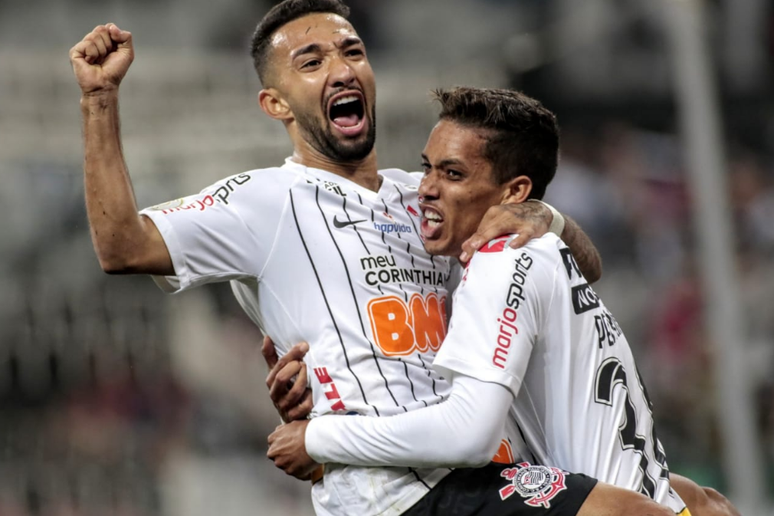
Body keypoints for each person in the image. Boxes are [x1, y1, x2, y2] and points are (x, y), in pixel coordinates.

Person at [68, 1, 669, 515]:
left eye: (351, 51)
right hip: (393, 492)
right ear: (275, 104)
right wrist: (99, 98)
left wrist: (547, 217)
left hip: (482, 466)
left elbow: (577, 270)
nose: (341, 69)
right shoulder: (262, 202)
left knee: (694, 502)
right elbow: (122, 246)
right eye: (312, 62)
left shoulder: (431, 191)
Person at [266, 87, 740, 516]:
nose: (425, 188)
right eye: (427, 166)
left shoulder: (499, 260)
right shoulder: (545, 246)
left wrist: (319, 439)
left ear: (514, 192)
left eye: (452, 173)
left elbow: (468, 433)